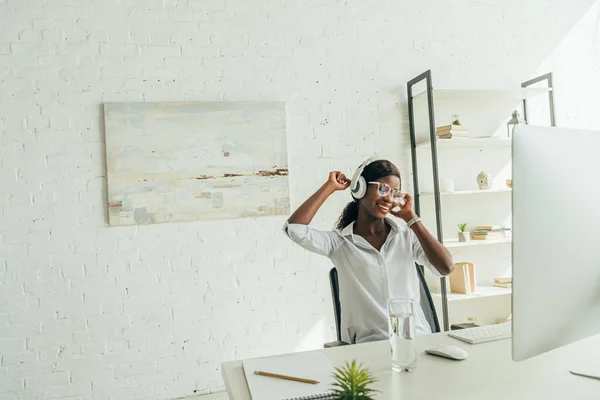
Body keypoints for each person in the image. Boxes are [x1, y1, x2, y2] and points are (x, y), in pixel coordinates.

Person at [283, 157, 454, 344]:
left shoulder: (406, 236)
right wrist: (330, 187)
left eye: (395, 193)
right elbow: (294, 229)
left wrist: (411, 218)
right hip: (367, 347)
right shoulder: (339, 243)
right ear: (360, 188)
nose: (389, 198)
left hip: (416, 339)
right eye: (382, 189)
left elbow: (445, 267)